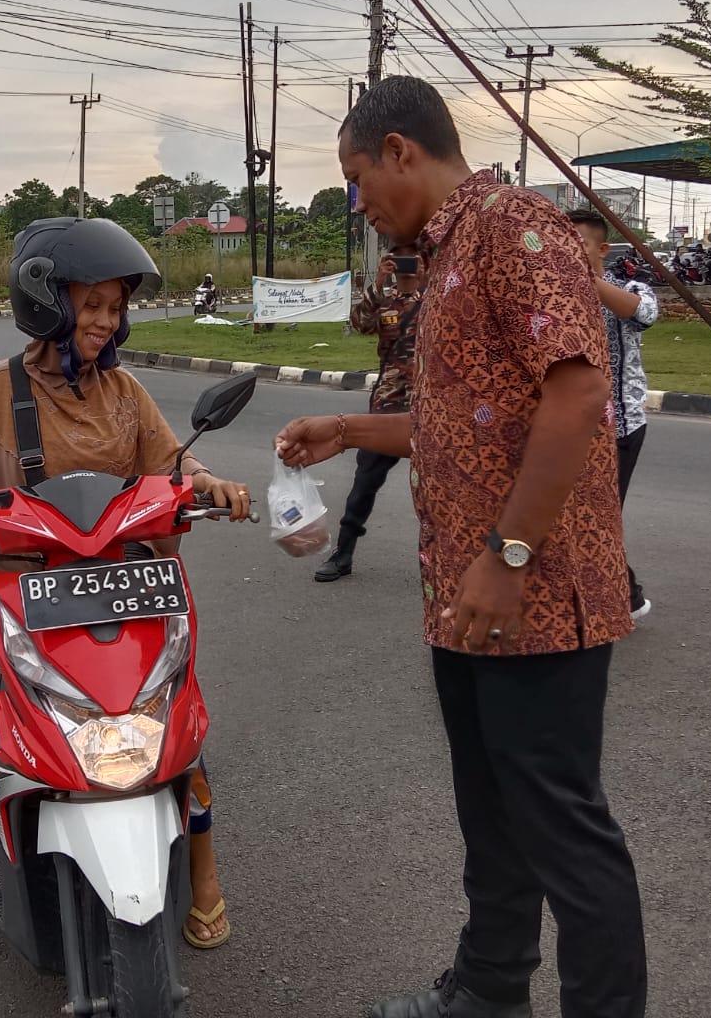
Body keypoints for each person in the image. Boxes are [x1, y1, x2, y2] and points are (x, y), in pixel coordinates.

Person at [277, 76, 646, 1018]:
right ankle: (488, 989)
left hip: (536, 597)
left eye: (359, 180)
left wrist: (507, 555)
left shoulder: (515, 227)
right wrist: (351, 430)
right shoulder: (443, 258)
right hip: (468, 602)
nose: (360, 205)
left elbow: (576, 396)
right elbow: (463, 425)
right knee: (491, 815)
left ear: (401, 150)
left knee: (564, 831)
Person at [0, 216, 254, 974]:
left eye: (114, 307)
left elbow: (173, 466)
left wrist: (210, 485)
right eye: (91, 304)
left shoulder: (124, 392)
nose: (105, 321)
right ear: (47, 303)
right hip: (17, 594)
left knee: (176, 730)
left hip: (122, 591)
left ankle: (203, 871)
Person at [313, 244, 421, 582]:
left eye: (412, 260)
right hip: (387, 408)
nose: (405, 268)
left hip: (429, 407)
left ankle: (451, 560)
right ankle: (343, 553)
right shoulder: (385, 302)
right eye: (399, 260)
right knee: (363, 485)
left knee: (441, 490)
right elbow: (359, 323)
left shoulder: (439, 300)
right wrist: (377, 284)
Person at [570, 211, 658, 620]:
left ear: (601, 249)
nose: (568, 252)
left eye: (578, 244)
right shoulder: (557, 297)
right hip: (572, 426)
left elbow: (643, 314)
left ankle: (627, 597)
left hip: (619, 427)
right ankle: (619, 595)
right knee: (579, 516)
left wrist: (587, 279)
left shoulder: (629, 287)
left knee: (599, 517)